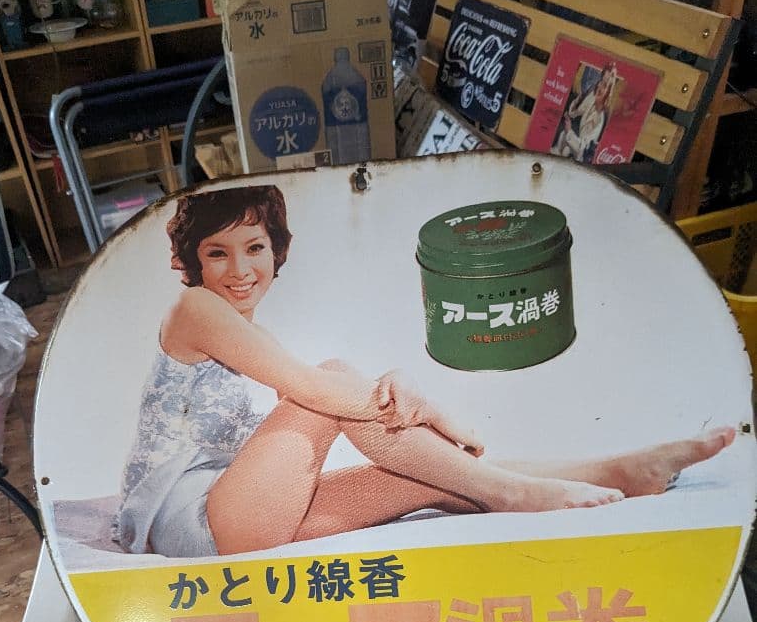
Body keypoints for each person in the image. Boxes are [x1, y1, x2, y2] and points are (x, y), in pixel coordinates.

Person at [114, 185, 735, 558]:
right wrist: (432, 409)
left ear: (276, 251)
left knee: (429, 481)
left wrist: (403, 402)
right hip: (194, 522)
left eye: (254, 247)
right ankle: (514, 494)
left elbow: (323, 404)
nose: (240, 269)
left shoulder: (252, 336)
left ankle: (621, 470)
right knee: (331, 375)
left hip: (243, 513)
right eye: (217, 253)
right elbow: (318, 392)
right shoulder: (196, 310)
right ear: (193, 262)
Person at [553, 64, 618, 163]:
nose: (599, 86)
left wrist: (569, 131)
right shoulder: (593, 99)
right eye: (600, 81)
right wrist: (580, 98)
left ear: (609, 92)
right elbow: (575, 111)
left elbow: (584, 151)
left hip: (580, 159)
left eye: (604, 85)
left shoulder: (600, 120)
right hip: (568, 148)